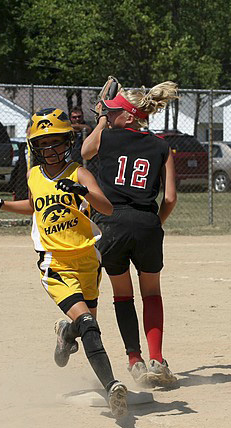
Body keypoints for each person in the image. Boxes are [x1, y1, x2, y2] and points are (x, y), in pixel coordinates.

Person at [0, 108, 129, 418]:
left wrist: (83, 191)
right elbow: (34, 206)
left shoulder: (78, 172)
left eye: (56, 142)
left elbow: (107, 208)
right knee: (89, 324)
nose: (50, 150)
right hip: (54, 262)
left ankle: (65, 333)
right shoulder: (34, 176)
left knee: (86, 327)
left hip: (87, 260)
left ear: (67, 143)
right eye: (43, 144)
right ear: (35, 148)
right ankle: (113, 387)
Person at [80, 81, 179, 389]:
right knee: (151, 293)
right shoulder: (161, 146)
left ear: (131, 116)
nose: (108, 117)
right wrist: (155, 222)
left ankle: (134, 361)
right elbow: (171, 198)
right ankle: (156, 359)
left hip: (112, 224)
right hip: (146, 223)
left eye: (113, 113)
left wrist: (99, 121)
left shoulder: (107, 138)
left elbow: (85, 151)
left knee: (123, 295)